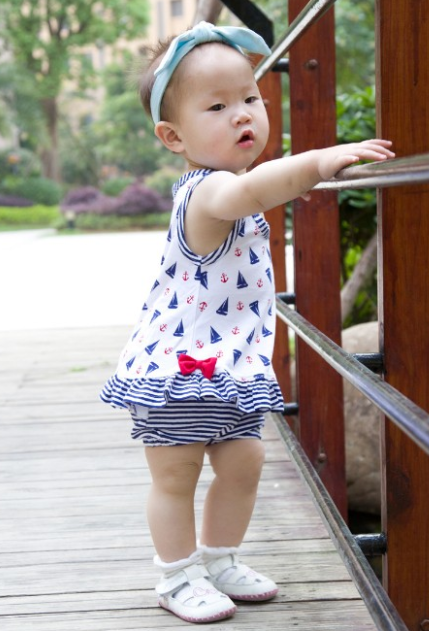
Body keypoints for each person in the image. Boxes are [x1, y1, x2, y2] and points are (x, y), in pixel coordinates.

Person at [100, 21, 394, 624]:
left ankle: (219, 558)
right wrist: (318, 162)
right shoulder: (206, 193)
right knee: (176, 476)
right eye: (217, 106)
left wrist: (283, 184)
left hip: (230, 367)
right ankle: (176, 575)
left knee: (244, 463)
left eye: (251, 98)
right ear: (173, 136)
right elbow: (255, 192)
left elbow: (256, 192)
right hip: (177, 370)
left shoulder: (231, 189)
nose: (242, 115)